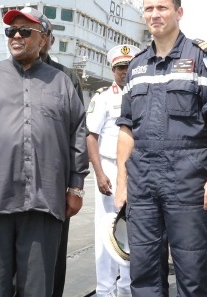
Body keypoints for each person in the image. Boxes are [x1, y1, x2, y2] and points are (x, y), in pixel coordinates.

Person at [0, 6, 89, 297]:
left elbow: (77, 135)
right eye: (11, 31)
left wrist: (76, 187)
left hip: (43, 201)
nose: (16, 36)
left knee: (38, 290)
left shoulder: (62, 82)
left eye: (25, 31)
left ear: (43, 39)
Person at [114, 0, 207, 297]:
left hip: (188, 179)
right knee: (144, 274)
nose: (155, 14)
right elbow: (126, 128)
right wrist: (122, 182)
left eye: (162, 8)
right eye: (149, 9)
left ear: (179, 12)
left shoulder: (202, 57)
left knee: (192, 274)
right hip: (143, 182)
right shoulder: (136, 66)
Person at [86, 44, 139, 297]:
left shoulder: (143, 94)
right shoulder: (103, 97)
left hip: (137, 169)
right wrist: (99, 173)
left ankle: (127, 289)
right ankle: (105, 290)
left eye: (129, 66)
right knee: (107, 231)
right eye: (120, 67)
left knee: (135, 231)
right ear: (113, 70)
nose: (124, 72)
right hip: (109, 167)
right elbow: (91, 136)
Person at [38, 13, 83, 297]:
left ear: (49, 40)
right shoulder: (0, 76)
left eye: (40, 34)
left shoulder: (66, 77)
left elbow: (77, 133)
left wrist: (74, 187)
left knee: (53, 256)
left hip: (53, 185)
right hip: (12, 187)